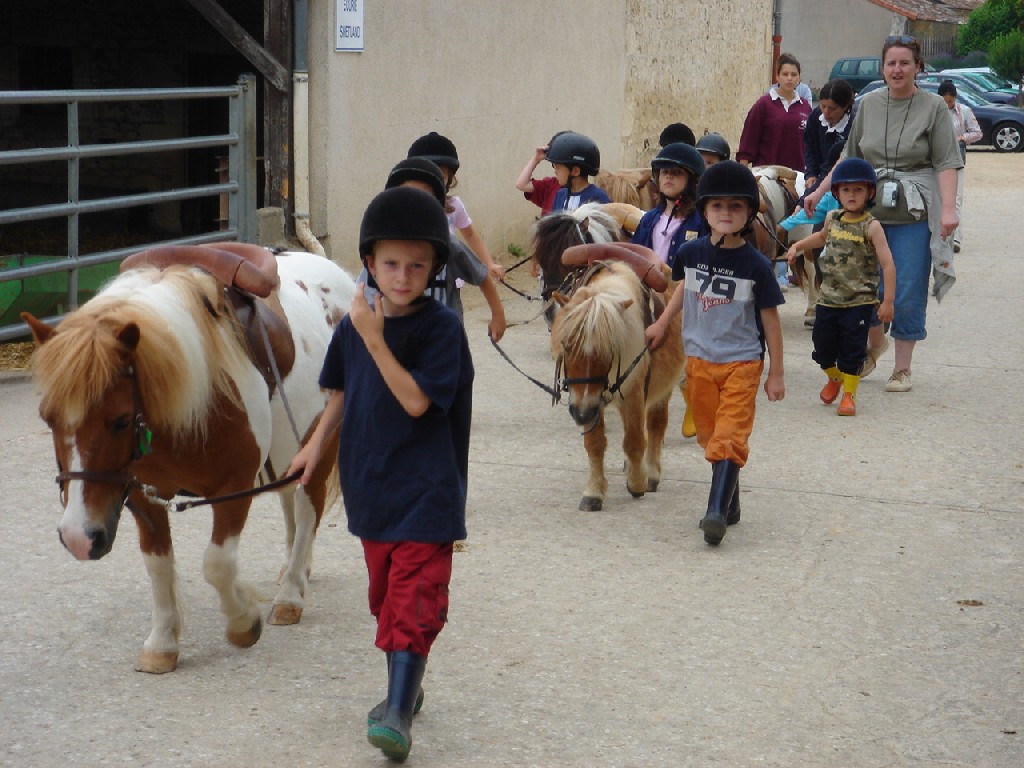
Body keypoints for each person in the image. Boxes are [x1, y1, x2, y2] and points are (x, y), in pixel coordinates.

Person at [288, 186, 474, 762]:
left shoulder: (439, 330)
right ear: (369, 263)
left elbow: (418, 402)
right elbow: (340, 391)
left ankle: (395, 712)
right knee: (384, 598)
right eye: (390, 263)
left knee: (414, 600)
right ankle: (406, 686)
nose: (403, 275)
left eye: (417, 265)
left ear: (434, 269)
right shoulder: (355, 325)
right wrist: (315, 446)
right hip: (372, 486)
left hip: (427, 491)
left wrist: (373, 335)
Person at [803, 34, 961, 393]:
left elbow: (947, 162)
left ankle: (902, 369)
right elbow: (849, 158)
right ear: (882, 67)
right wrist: (819, 191)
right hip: (868, 214)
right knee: (864, 286)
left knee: (905, 289)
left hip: (912, 214)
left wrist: (949, 210)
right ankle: (875, 344)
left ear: (918, 67)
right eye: (891, 63)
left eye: (905, 62)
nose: (897, 69)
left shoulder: (934, 107)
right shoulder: (869, 104)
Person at [645, 161, 785, 546]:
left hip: (742, 360)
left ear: (749, 213)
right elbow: (681, 290)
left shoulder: (756, 265)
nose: (726, 214)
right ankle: (732, 503)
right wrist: (661, 324)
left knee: (729, 434)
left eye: (736, 207)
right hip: (699, 360)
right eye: (718, 206)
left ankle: (714, 513)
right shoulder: (690, 253)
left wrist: (776, 372)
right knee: (710, 436)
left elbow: (770, 321)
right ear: (704, 210)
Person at [785, 158, 896, 416]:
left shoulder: (872, 226)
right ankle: (834, 377)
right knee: (822, 348)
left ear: (869, 192)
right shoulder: (833, 218)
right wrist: (798, 246)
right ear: (836, 193)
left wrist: (888, 301)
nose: (852, 195)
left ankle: (849, 394)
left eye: (858, 189)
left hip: (859, 303)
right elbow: (821, 237)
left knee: (851, 351)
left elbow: (888, 265)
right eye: (846, 189)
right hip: (828, 300)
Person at [357, 157, 507, 342]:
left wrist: (498, 315)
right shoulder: (379, 252)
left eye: (425, 199)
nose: (416, 206)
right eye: (408, 197)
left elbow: (481, 276)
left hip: (442, 340)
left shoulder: (448, 246)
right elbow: (362, 300)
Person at [631, 142, 707, 438]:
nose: (668, 178)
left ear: (691, 180)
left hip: (688, 295)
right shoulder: (650, 218)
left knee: (686, 352)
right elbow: (637, 252)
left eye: (676, 173)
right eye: (663, 173)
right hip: (650, 294)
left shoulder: (699, 219)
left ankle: (691, 399)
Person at [408, 131, 505, 281]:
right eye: (428, 175)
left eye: (441, 175)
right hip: (417, 279)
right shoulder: (405, 207)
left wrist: (489, 263)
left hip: (449, 279)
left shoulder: (454, 206)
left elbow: (470, 234)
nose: (434, 181)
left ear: (449, 179)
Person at [736, 52, 812, 172]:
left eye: (794, 74)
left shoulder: (806, 108)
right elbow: (747, 144)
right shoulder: (763, 105)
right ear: (777, 76)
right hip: (766, 175)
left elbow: (811, 146)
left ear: (799, 78)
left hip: (797, 177)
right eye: (785, 74)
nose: (789, 78)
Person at [937, 79, 981, 253]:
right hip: (937, 160)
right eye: (945, 100)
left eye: (950, 100)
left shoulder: (964, 111)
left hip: (956, 160)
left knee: (956, 199)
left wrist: (962, 138)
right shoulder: (933, 112)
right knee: (937, 199)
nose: (948, 104)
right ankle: (940, 235)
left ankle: (955, 237)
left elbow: (977, 133)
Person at [803, 79, 856, 195]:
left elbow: (830, 169)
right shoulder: (815, 117)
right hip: (817, 181)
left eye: (832, 108)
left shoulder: (853, 127)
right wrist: (811, 174)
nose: (826, 112)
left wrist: (808, 196)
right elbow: (809, 147)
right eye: (823, 106)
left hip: (843, 185)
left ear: (845, 106)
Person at [544, 131, 611, 211]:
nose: (555, 172)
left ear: (575, 171)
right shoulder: (560, 195)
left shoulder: (598, 198)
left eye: (557, 167)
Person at [514, 131, 567, 216]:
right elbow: (521, 184)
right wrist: (536, 159)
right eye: (554, 165)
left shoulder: (588, 193)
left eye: (558, 166)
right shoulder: (550, 185)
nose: (555, 170)